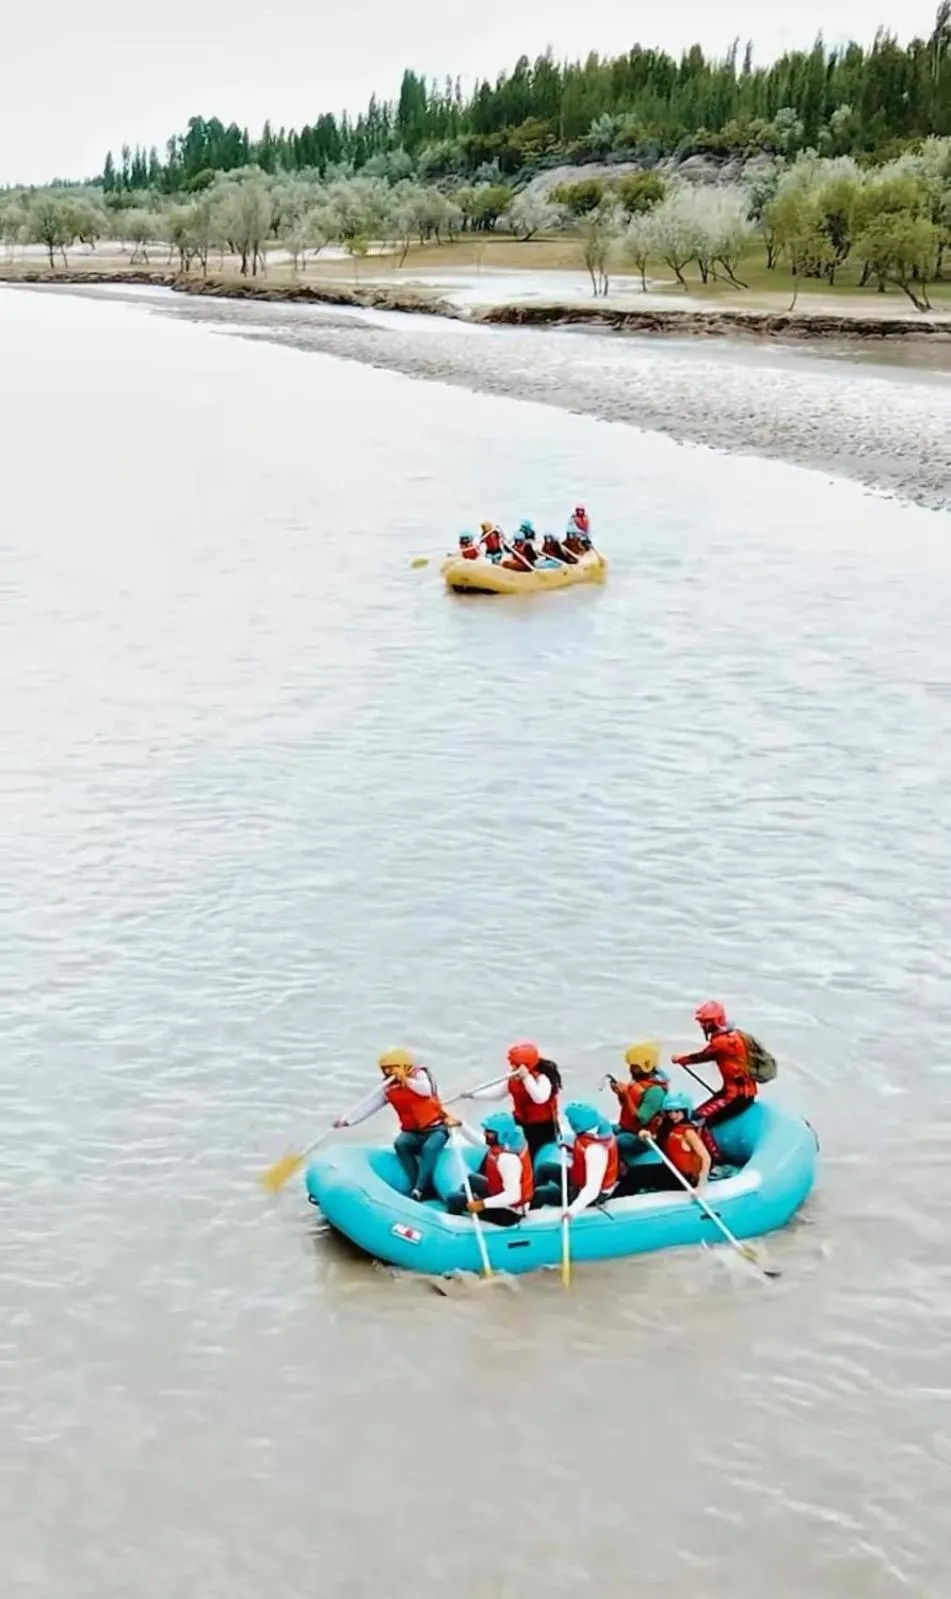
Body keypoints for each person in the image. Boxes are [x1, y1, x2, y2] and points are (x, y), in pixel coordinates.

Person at [334, 1049, 458, 1202]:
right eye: (385, 1069)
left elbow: (426, 1091)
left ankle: (420, 1188)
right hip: (413, 1131)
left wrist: (406, 1080)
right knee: (401, 1144)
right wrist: (348, 1121)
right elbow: (371, 1105)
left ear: (403, 1067)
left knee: (429, 1148)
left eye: (392, 1068)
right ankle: (417, 1185)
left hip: (436, 1128)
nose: (387, 1072)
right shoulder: (388, 1087)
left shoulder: (420, 1076)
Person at [672, 1001, 758, 1157]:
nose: (702, 1027)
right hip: (737, 1092)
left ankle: (714, 1159)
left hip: (736, 1096)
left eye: (705, 1023)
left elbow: (702, 1056)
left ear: (715, 1021)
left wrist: (681, 1059)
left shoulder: (721, 1042)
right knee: (697, 1114)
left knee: (698, 1121)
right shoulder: (736, 1035)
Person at [462, 1040, 562, 1160]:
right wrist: (472, 1095)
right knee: (519, 1150)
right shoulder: (513, 1077)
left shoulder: (543, 1078)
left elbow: (539, 1098)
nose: (512, 1068)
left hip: (542, 1126)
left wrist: (526, 1078)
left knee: (535, 1154)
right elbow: (496, 1093)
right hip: (521, 1122)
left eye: (515, 1065)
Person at [445, 1112, 533, 1227]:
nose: (485, 1134)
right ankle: (468, 1204)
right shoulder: (508, 1141)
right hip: (499, 1192)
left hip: (509, 1212)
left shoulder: (508, 1159)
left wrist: (482, 1204)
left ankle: (457, 1224)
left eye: (489, 1133)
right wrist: (461, 1125)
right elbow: (481, 1141)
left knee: (452, 1198)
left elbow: (513, 1195)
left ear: (502, 1134)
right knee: (471, 1179)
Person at [532, 1102, 619, 1216]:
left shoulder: (595, 1151)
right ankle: (530, 1191)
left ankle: (528, 1210)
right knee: (544, 1168)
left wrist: (572, 1210)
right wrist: (569, 1149)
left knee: (539, 1194)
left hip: (592, 1193)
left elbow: (592, 1189)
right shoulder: (595, 1128)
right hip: (579, 1178)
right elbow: (582, 1149)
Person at [616, 1093, 712, 1194]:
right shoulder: (672, 1128)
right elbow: (661, 1140)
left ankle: (616, 1199)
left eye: (677, 1111)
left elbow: (706, 1158)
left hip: (683, 1178)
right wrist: (646, 1135)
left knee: (636, 1175)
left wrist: (701, 1184)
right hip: (671, 1169)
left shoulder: (689, 1133)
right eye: (670, 1112)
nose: (673, 1115)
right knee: (634, 1172)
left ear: (685, 1111)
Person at [609, 1042, 669, 1170]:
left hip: (642, 1136)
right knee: (603, 1130)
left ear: (646, 1066)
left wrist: (626, 1095)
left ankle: (618, 1169)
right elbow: (628, 1106)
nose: (631, 1069)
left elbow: (641, 1119)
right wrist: (620, 1095)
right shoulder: (639, 1082)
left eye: (635, 1067)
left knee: (615, 1142)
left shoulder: (655, 1091)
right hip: (627, 1128)